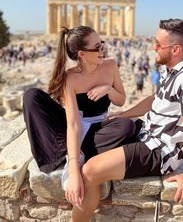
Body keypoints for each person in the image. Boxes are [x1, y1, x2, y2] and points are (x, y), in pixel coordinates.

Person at [70, 18, 183, 222]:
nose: (154, 47)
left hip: (158, 151)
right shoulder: (170, 69)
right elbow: (155, 99)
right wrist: (124, 114)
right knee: (94, 136)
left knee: (90, 170)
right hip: (145, 131)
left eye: (159, 44)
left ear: (176, 49)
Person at [23, 26, 137, 193]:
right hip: (74, 125)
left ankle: (73, 151)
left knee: (127, 126)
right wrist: (74, 171)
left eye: (102, 44)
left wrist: (108, 89)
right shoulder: (70, 78)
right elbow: (74, 124)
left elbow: (121, 101)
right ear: (82, 54)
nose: (102, 50)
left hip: (98, 127)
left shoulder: (110, 66)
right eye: (97, 47)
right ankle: (73, 154)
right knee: (31, 96)